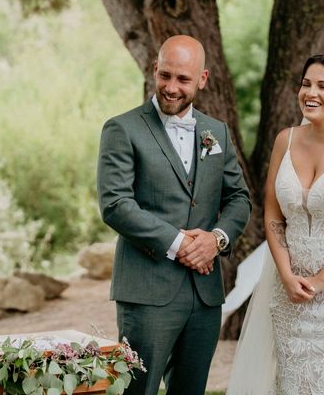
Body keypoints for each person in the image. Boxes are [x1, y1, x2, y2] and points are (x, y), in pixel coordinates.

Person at [97, 35, 251, 395]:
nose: (171, 87)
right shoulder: (122, 129)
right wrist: (180, 243)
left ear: (203, 79)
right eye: (165, 75)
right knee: (138, 390)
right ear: (154, 69)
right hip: (148, 291)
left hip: (205, 293)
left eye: (182, 79)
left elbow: (239, 198)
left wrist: (217, 239)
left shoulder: (217, 132)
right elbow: (115, 204)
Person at [227, 55, 324, 394]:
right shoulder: (285, 139)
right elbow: (273, 215)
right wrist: (287, 275)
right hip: (290, 291)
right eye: (306, 84)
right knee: (293, 381)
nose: (311, 93)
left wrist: (320, 281)